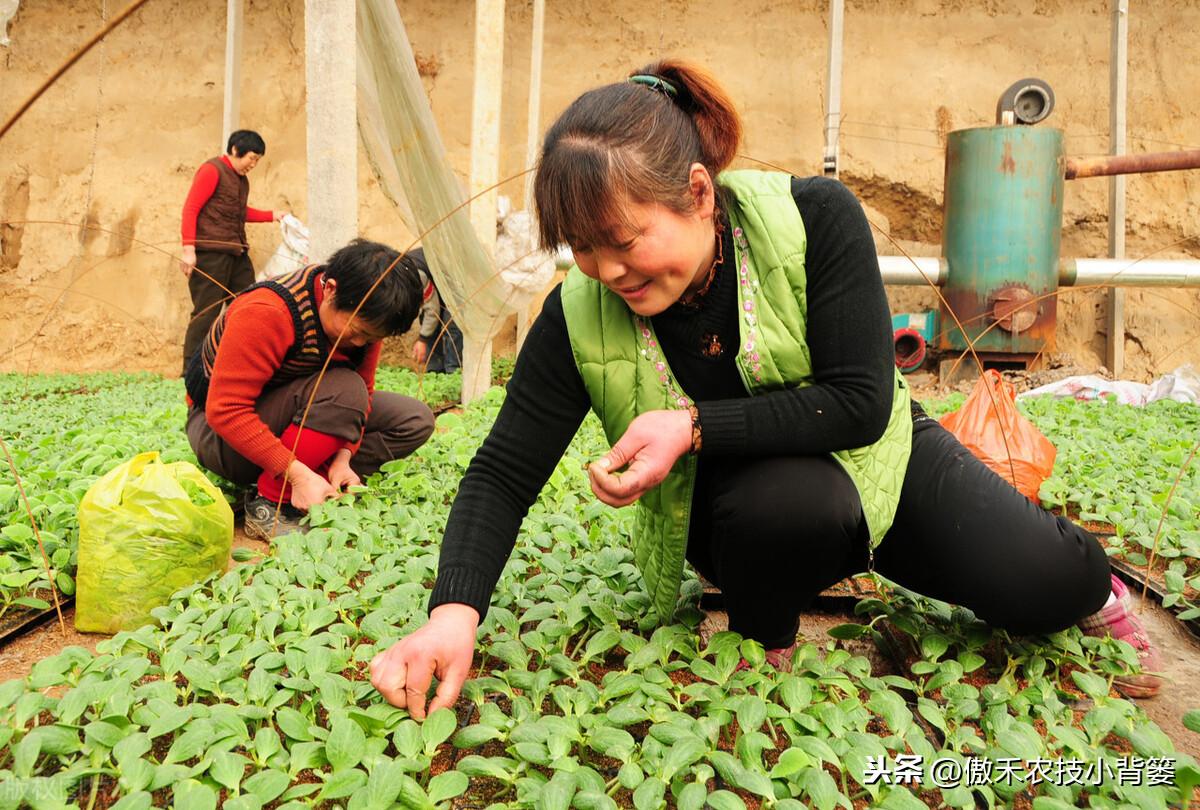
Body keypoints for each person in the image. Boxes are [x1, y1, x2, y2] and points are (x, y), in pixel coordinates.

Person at [369, 61, 1162, 717]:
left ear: (699, 194)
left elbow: (858, 401)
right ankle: (762, 638)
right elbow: (504, 470)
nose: (606, 270)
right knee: (782, 505)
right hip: (748, 506)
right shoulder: (580, 311)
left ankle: (1095, 585)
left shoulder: (814, 218)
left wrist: (688, 425)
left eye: (622, 240)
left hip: (875, 455)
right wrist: (452, 613)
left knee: (1048, 582)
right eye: (581, 246)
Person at [184, 239, 436, 539]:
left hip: (292, 414)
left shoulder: (368, 316)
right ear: (330, 290)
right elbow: (224, 411)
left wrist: (344, 457)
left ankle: (322, 477)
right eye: (357, 333)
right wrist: (297, 474)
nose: (360, 344)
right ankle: (271, 501)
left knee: (414, 419)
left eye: (371, 338)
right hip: (221, 438)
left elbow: (365, 393)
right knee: (344, 391)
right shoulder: (268, 311)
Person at [179, 129, 285, 373]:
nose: (254, 164)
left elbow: (239, 212)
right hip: (210, 253)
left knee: (247, 304)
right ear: (236, 150)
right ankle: (191, 370)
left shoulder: (240, 180)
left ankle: (240, 362)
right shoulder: (211, 171)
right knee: (207, 311)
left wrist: (273, 215)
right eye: (252, 157)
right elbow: (191, 209)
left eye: (258, 160)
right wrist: (188, 250)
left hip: (236, 253)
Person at [409, 248, 464, 374]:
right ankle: (435, 371)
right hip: (436, 280)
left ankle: (452, 371)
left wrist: (422, 340)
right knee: (427, 320)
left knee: (452, 322)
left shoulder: (416, 275)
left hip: (455, 280)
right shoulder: (396, 278)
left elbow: (432, 311)